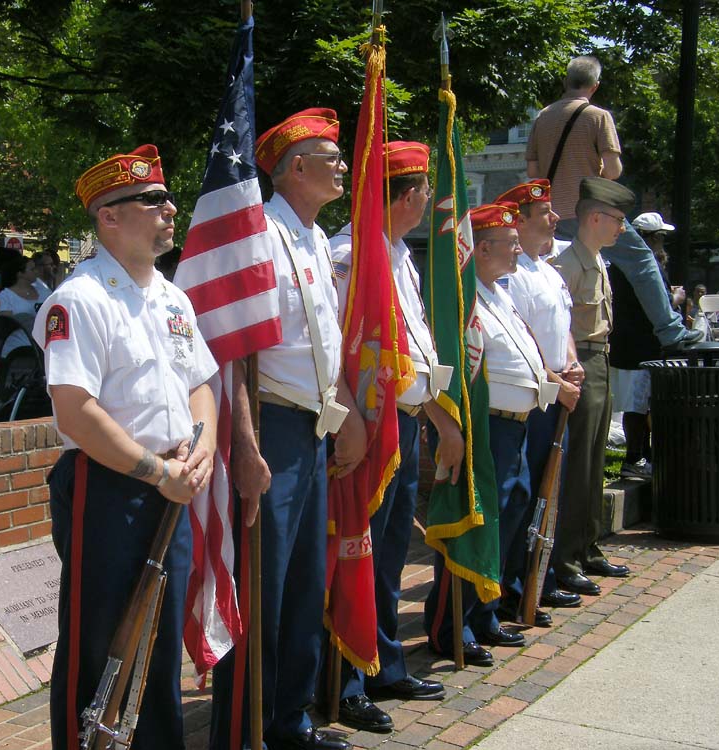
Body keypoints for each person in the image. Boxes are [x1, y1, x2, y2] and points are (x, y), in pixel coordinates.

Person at [33, 144, 217, 750]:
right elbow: (76, 411)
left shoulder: (172, 297)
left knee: (159, 645)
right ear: (108, 216)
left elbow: (199, 384)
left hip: (172, 485)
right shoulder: (80, 300)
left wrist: (203, 449)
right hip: (109, 488)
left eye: (167, 198)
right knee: (101, 644)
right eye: (152, 199)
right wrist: (157, 471)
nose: (170, 209)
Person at [210, 108, 364, 750]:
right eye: (332, 158)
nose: (344, 168)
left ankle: (289, 720)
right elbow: (233, 355)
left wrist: (347, 413)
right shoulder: (260, 236)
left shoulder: (314, 239)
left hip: (313, 427)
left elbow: (324, 344)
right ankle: (245, 729)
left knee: (303, 583)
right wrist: (245, 444)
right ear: (297, 167)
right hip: (271, 425)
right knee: (263, 587)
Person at [325, 141, 460, 732]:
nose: (428, 200)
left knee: (388, 557)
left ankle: (382, 663)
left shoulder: (398, 254)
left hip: (402, 422)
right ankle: (344, 680)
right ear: (407, 196)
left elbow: (415, 347)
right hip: (365, 425)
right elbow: (342, 348)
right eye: (425, 190)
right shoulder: (350, 256)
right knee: (356, 553)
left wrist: (435, 416)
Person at [424, 204, 557, 661]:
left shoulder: (500, 294)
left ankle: (484, 614)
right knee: (476, 521)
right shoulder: (464, 300)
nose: (519, 250)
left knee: (510, 513)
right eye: (510, 243)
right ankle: (450, 626)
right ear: (481, 249)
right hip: (486, 427)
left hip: (515, 429)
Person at [526, 55, 700, 348]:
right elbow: (613, 170)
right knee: (640, 261)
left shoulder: (542, 117)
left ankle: (551, 342)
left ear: (566, 82)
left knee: (559, 274)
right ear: (595, 85)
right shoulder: (598, 116)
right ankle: (670, 331)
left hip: (555, 214)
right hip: (591, 211)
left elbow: (533, 172)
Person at [494, 180, 584, 622]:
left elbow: (562, 326)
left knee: (546, 496)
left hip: (559, 391)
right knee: (524, 499)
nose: (555, 219)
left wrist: (573, 362)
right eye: (545, 213)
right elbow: (522, 341)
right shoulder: (512, 276)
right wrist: (556, 381)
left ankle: (538, 581)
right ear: (521, 220)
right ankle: (513, 589)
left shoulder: (549, 271)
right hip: (537, 397)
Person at [550, 176, 635, 597]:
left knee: (595, 460)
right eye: (617, 219)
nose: (622, 228)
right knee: (578, 463)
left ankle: (587, 545)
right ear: (595, 218)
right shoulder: (566, 265)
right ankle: (565, 558)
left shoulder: (598, 261)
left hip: (599, 359)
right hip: (579, 361)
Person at [609, 212, 678, 479]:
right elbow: (650, 304)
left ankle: (643, 456)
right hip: (637, 347)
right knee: (636, 407)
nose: (662, 244)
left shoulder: (624, 264)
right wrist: (674, 299)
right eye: (660, 238)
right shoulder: (639, 265)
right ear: (650, 238)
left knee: (641, 406)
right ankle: (634, 458)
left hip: (633, 346)